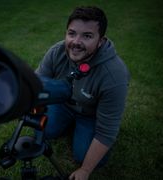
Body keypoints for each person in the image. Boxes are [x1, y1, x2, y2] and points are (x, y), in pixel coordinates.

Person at [35, 6, 130, 180]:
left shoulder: (114, 75)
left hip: (91, 115)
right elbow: (35, 84)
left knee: (84, 156)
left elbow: (107, 131)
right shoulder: (57, 51)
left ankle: (82, 131)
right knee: (42, 131)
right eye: (72, 33)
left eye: (87, 36)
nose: (76, 42)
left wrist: (85, 170)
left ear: (100, 40)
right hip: (63, 104)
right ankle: (69, 125)